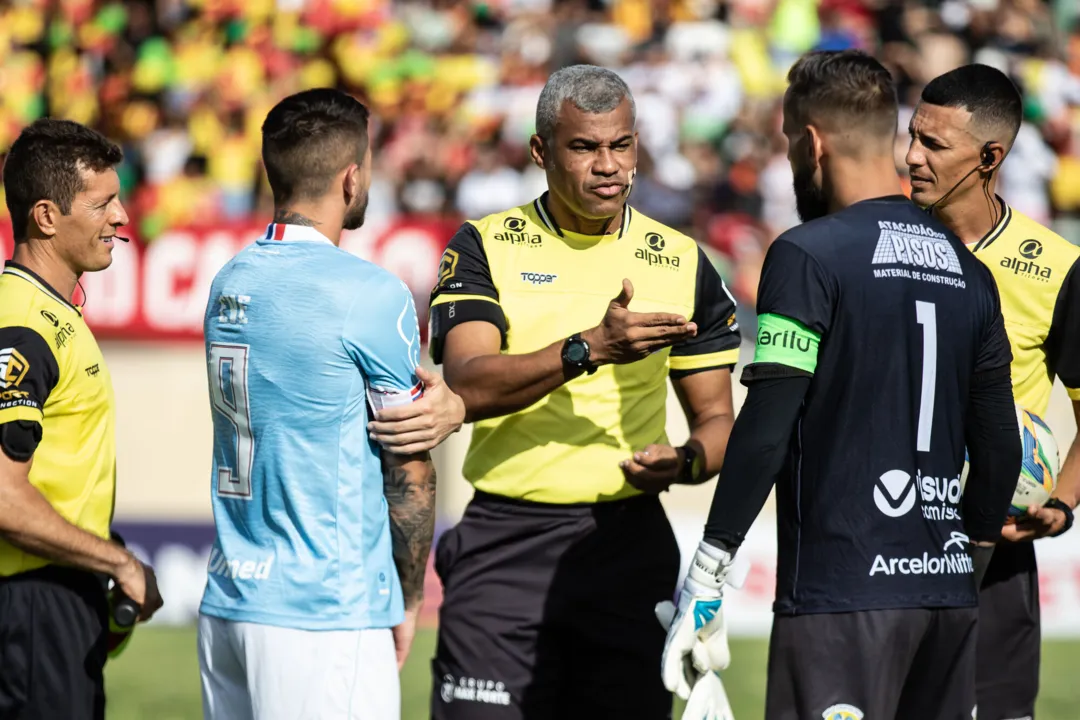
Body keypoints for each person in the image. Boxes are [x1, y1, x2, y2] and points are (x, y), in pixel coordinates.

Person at [660, 50, 1022, 720]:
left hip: (841, 595)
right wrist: (961, 570)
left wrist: (709, 571)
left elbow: (767, 426)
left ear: (811, 142)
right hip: (944, 602)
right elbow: (1000, 448)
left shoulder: (807, 253)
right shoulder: (972, 273)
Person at [427, 64, 743, 719]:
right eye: (584, 146)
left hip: (625, 546)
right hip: (503, 543)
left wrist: (683, 462)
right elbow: (467, 380)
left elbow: (718, 420)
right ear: (541, 151)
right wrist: (589, 348)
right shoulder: (485, 244)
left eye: (621, 145)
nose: (608, 165)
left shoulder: (682, 261)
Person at [196, 88, 465, 720]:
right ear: (352, 177)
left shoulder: (228, 280)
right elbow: (410, 464)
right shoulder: (371, 293)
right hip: (325, 610)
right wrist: (405, 599)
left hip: (230, 602)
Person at [906, 64, 1080, 720]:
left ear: (990, 156)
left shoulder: (1058, 267)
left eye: (934, 144)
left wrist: (1061, 501)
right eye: (913, 137)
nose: (913, 156)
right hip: (888, 535)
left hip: (996, 549)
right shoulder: (871, 244)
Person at [0, 118, 164, 719]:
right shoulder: (22, 323)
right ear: (46, 216)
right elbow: (4, 499)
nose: (121, 216)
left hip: (57, 592)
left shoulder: (48, 312)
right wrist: (115, 560)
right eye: (103, 203)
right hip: (33, 603)